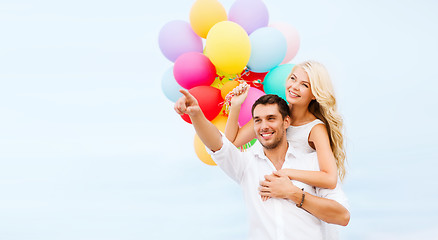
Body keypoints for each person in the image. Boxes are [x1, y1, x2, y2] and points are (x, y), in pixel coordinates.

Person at [174, 92, 350, 240]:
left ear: (286, 122)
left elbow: (342, 216)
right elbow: (218, 144)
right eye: (257, 120)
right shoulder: (246, 164)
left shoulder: (312, 163)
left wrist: (293, 193)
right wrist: (196, 114)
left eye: (271, 118)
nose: (264, 126)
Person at [225, 61, 346, 199]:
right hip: (267, 195)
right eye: (293, 78)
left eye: (304, 85)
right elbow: (230, 144)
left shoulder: (315, 129)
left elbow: (330, 179)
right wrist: (235, 105)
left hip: (296, 201)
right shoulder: (273, 113)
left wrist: (286, 172)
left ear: (314, 94)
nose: (294, 87)